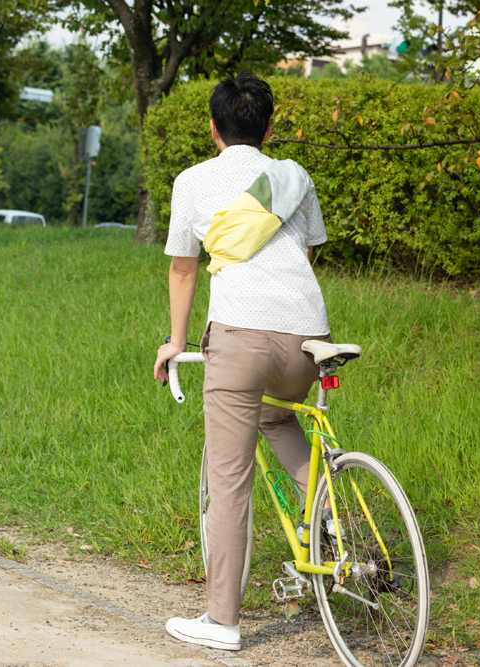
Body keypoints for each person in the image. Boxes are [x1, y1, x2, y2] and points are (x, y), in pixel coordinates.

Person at [152, 71, 332, 652]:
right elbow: (305, 253)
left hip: (240, 337)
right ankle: (332, 524)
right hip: (309, 337)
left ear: (213, 128)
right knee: (277, 418)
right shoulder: (294, 177)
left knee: (230, 483)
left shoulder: (192, 181)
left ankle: (222, 622)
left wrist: (176, 342)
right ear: (270, 128)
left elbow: (184, 268)